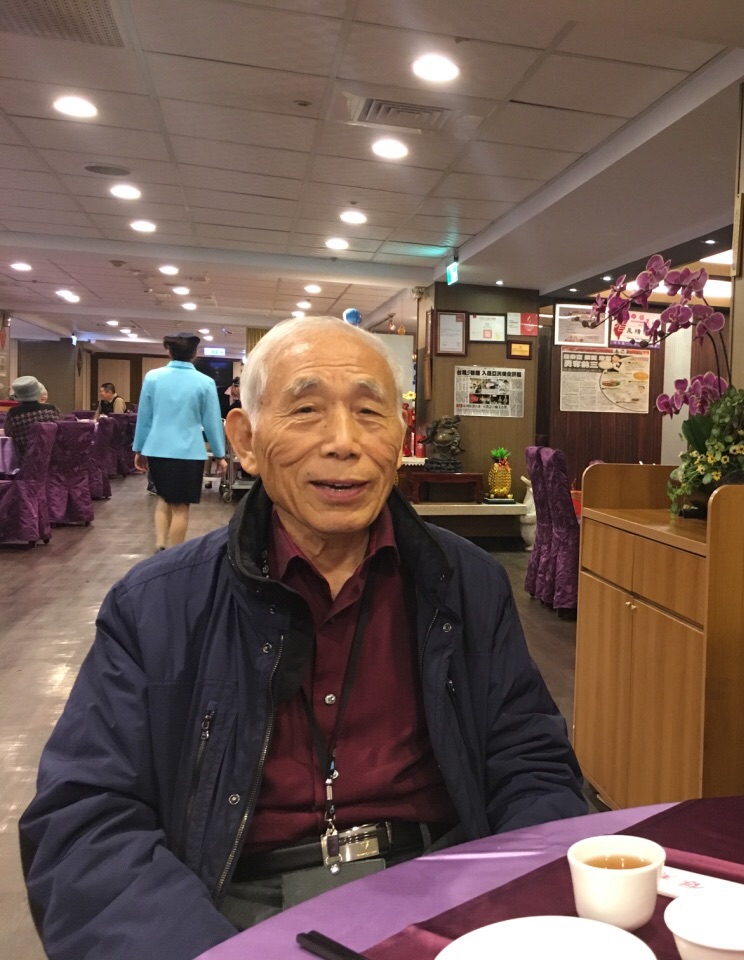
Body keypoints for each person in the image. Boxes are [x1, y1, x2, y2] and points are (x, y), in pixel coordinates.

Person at [20, 316, 585, 960]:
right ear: (246, 440)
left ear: (401, 434)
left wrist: (514, 917)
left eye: (369, 412)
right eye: (307, 410)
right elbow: (85, 822)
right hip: (231, 904)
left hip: (445, 887)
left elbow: (533, 765)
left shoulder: (468, 584)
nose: (344, 442)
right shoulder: (156, 605)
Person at [133, 333, 227, 551]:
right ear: (195, 353)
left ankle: (160, 545)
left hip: (157, 448)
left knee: (163, 498)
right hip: (189, 451)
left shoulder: (152, 377)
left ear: (169, 351)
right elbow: (212, 422)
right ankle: (175, 553)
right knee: (181, 507)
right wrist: (220, 455)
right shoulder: (205, 382)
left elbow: (144, 417)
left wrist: (139, 448)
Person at [4, 375, 61, 458]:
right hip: (53, 457)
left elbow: (8, 434)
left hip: (25, 458)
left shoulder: (13, 414)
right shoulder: (52, 410)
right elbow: (61, 431)